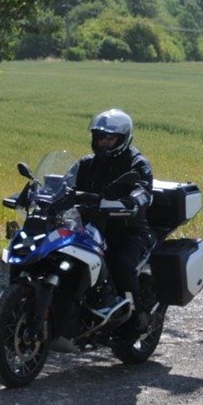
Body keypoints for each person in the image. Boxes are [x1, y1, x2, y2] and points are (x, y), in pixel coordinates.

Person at [67, 108, 154, 325]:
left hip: (126, 230)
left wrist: (133, 200)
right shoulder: (86, 163)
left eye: (109, 138)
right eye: (99, 137)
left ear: (122, 139)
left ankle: (138, 315)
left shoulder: (137, 162)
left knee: (120, 261)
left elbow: (144, 190)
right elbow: (64, 184)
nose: (102, 142)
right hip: (90, 227)